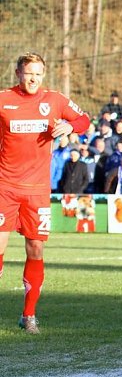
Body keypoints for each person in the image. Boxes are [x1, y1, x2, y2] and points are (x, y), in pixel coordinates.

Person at [0, 52, 91, 334]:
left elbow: (85, 120)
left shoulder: (55, 100)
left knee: (36, 249)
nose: (34, 79)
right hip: (5, 186)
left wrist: (70, 125)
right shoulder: (4, 100)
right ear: (18, 73)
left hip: (38, 190)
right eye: (29, 74)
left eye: (38, 74)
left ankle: (29, 316)